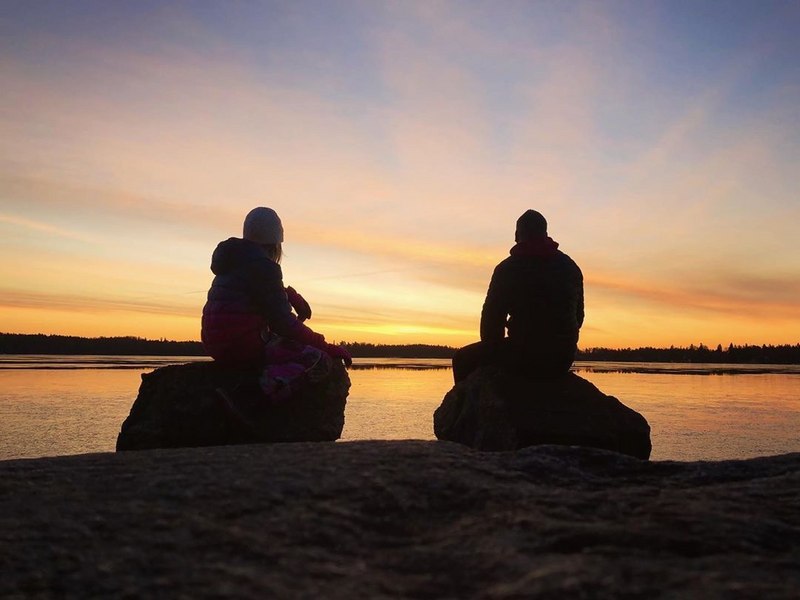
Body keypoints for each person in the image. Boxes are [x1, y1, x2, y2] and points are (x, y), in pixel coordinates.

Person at [202, 207, 351, 402]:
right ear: (275, 244)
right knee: (318, 360)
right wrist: (325, 346)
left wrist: (289, 295)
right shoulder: (265, 268)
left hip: (214, 345)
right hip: (243, 346)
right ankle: (253, 398)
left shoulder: (234, 260)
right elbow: (284, 323)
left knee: (281, 344)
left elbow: (256, 290)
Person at [452, 209, 583, 383]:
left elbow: (491, 321)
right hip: (562, 357)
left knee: (461, 359)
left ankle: (465, 406)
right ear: (545, 234)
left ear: (517, 235)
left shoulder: (508, 269)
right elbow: (578, 317)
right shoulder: (570, 266)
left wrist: (493, 354)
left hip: (524, 355)